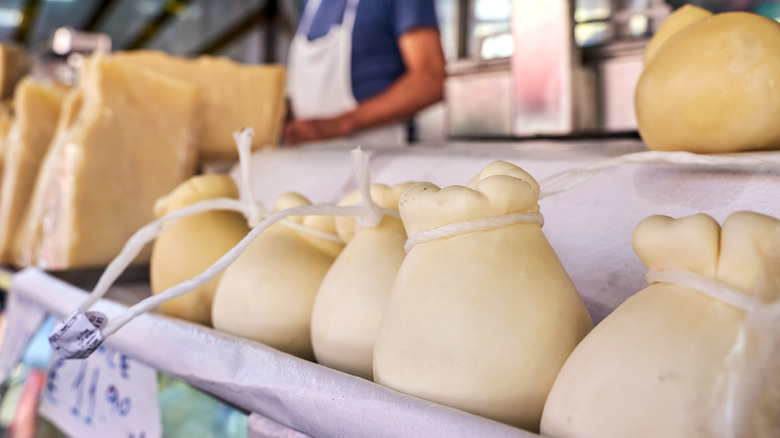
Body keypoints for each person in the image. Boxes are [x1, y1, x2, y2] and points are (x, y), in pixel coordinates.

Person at [284, 0, 445, 146]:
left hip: (379, 157)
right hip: (306, 159)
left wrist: (339, 124)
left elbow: (431, 79)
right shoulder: (309, 4)